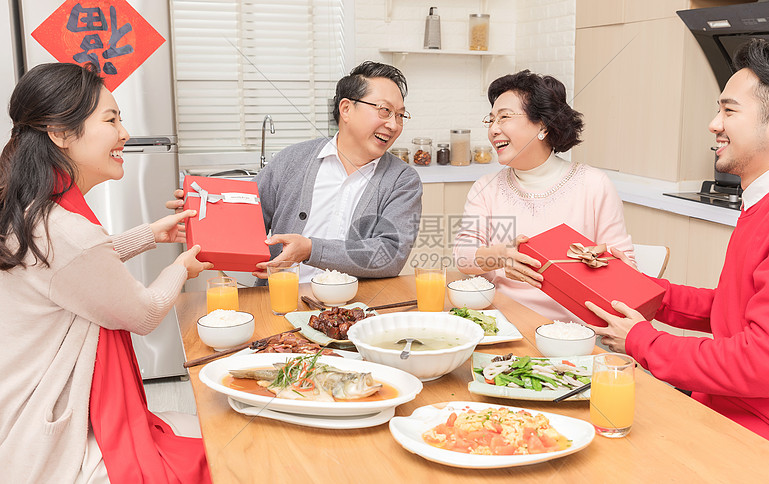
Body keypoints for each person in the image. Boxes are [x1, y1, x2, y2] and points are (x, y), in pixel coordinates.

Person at [586, 39, 769, 482]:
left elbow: (761, 362)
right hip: (732, 420)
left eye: (729, 111)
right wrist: (634, 286)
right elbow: (735, 308)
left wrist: (642, 341)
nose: (714, 123)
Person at [0, 63, 213, 483]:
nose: (125, 134)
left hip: (17, 415)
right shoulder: (65, 228)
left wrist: (150, 235)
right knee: (216, 450)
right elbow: (144, 313)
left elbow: (73, 274)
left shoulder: (31, 212)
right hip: (53, 443)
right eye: (111, 119)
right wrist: (182, 268)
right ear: (59, 134)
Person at [169, 61, 422, 283]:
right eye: (385, 110)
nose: (393, 125)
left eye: (400, 116)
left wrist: (311, 250)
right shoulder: (292, 160)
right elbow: (247, 219)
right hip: (281, 299)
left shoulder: (402, 180)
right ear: (346, 109)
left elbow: (390, 254)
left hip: (356, 309)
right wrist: (201, 214)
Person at [453, 70, 634, 322]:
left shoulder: (593, 185)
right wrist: (502, 255)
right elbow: (462, 255)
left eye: (504, 117)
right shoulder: (487, 187)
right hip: (501, 322)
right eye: (491, 120)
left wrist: (599, 263)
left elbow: (626, 269)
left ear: (543, 125)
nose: (493, 129)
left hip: (574, 330)